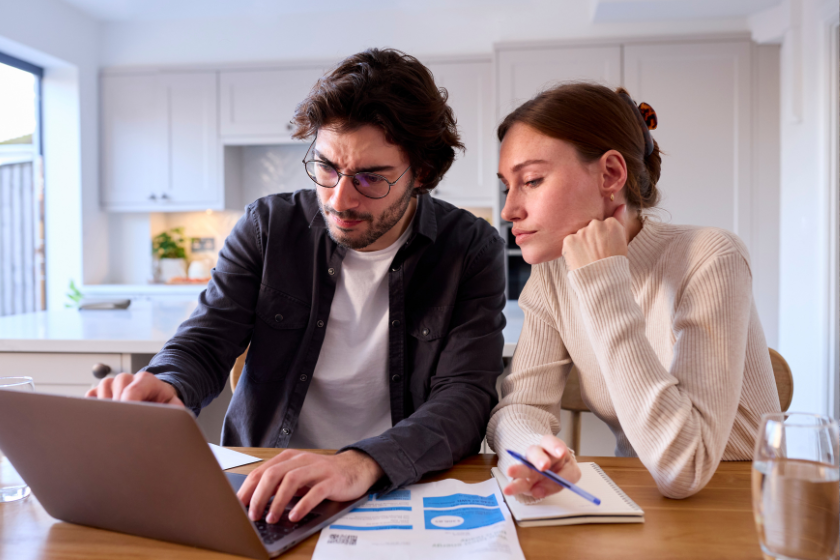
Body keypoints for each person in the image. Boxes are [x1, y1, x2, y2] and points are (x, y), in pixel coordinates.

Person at [88, 48, 506, 524]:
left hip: (396, 485)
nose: (339, 198)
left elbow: (465, 397)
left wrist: (360, 463)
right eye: (327, 167)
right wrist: (168, 381)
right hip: (264, 481)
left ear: (422, 174)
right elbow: (207, 339)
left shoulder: (469, 249)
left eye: (372, 178)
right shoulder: (268, 227)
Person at [488, 82, 780, 501]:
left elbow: (685, 468)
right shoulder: (552, 276)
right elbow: (520, 407)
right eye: (507, 186)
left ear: (610, 174)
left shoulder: (710, 257)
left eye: (531, 180)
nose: (509, 209)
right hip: (640, 502)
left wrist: (604, 278)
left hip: (739, 504)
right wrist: (537, 452)